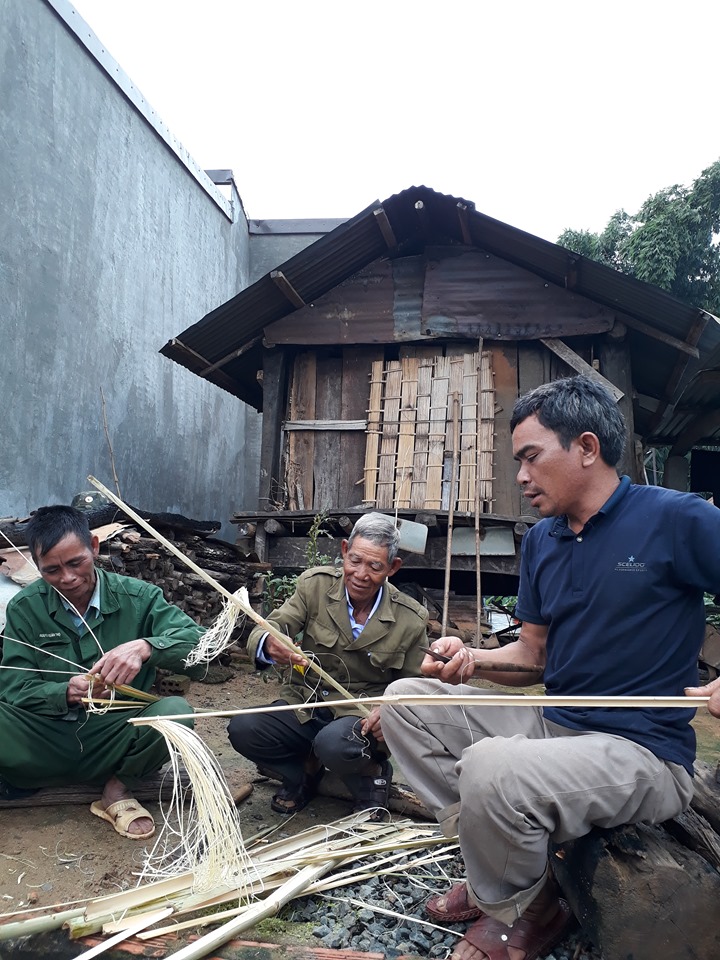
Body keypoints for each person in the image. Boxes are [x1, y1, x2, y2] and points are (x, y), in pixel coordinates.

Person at [379, 374, 720, 960]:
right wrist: (472, 658)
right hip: (552, 722)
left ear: (586, 448)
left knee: (492, 767)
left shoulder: (675, 518)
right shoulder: (543, 541)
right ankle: (515, 875)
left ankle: (520, 911)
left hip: (643, 750)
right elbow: (532, 656)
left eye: (531, 457)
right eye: (518, 461)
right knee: (406, 702)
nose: (520, 477)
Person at [0, 505, 204, 840]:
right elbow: (13, 687)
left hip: (114, 735)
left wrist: (145, 647)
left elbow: (200, 649)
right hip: (44, 737)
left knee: (175, 713)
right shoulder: (26, 608)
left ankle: (117, 790)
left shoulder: (139, 598)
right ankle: (24, 778)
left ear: (94, 547)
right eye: (51, 570)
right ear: (36, 567)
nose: (67, 578)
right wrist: (65, 691)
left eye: (75, 562)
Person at [227, 512, 428, 820]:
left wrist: (390, 712)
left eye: (375, 566)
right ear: (344, 550)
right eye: (355, 561)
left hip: (358, 717)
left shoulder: (410, 618)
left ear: (392, 567)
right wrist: (269, 642)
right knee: (244, 729)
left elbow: (416, 687)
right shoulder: (315, 587)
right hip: (305, 704)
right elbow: (271, 625)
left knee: (335, 744)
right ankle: (304, 770)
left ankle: (372, 771)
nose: (361, 574)